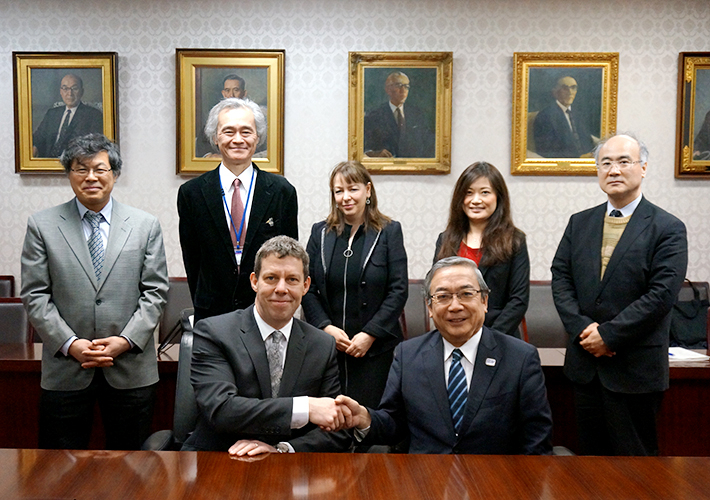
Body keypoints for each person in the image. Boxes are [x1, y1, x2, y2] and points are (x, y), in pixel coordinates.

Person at [20, 133, 169, 450]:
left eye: (100, 169)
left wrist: (125, 341)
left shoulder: (145, 225)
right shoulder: (42, 225)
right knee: (59, 469)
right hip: (66, 367)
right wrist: (71, 344)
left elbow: (155, 292)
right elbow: (35, 295)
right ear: (69, 174)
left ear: (114, 174)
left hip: (130, 368)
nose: (90, 177)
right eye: (80, 168)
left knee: (133, 467)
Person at [551, 133, 688, 456]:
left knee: (635, 468)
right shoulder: (579, 223)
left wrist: (609, 336)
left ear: (643, 168)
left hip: (634, 368)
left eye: (624, 162)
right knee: (589, 466)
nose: (613, 170)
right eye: (606, 163)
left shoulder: (667, 227)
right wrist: (585, 331)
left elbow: (661, 294)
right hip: (586, 368)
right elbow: (561, 279)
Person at [334, 257, 553, 454]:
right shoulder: (408, 355)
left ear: (484, 301)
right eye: (443, 296)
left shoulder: (520, 358)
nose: (455, 306)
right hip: (426, 481)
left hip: (495, 483)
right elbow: (394, 423)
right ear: (429, 306)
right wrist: (365, 419)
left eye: (466, 294)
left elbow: (536, 442)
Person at [182, 236, 351, 455]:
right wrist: (305, 408)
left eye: (292, 279)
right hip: (221, 459)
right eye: (271, 278)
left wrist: (281, 449)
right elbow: (222, 410)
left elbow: (336, 430)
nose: (281, 288)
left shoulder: (322, 344)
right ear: (254, 281)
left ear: (305, 285)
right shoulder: (214, 332)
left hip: (290, 468)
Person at [178, 98, 298, 322]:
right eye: (228, 131)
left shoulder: (282, 191)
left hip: (266, 312)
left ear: (258, 138)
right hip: (211, 314)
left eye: (246, 131)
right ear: (215, 137)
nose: (238, 139)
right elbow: (192, 260)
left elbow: (288, 260)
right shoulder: (192, 193)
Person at [302, 161, 408, 409]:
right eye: (339, 191)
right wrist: (325, 328)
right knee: (332, 420)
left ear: (368, 190)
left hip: (375, 349)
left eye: (353, 189)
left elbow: (398, 289)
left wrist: (370, 334)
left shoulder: (389, 231)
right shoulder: (320, 233)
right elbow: (308, 287)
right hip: (328, 349)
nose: (345, 197)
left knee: (370, 420)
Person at [434, 162, 529, 338]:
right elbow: (437, 292)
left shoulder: (515, 240)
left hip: (501, 337)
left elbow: (518, 300)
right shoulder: (445, 240)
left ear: (498, 197)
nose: (476, 200)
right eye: (468, 193)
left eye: (485, 192)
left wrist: (488, 337)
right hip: (453, 335)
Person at [364, 71, 435, 158]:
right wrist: (375, 154)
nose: (403, 90)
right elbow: (364, 147)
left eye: (406, 86)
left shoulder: (417, 114)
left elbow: (428, 143)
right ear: (388, 89)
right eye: (399, 85)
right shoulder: (374, 115)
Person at [32, 74, 104, 158]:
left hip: (74, 163)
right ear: (60, 91)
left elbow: (94, 146)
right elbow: (38, 137)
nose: (69, 93)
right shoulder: (52, 113)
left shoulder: (93, 115)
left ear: (82, 92)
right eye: (65, 88)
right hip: (48, 162)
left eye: (74, 88)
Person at [533, 76, 596, 158]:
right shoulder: (545, 116)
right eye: (565, 88)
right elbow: (545, 151)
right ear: (555, 92)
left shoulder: (579, 114)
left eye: (573, 88)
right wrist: (578, 158)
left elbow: (588, 140)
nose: (570, 92)